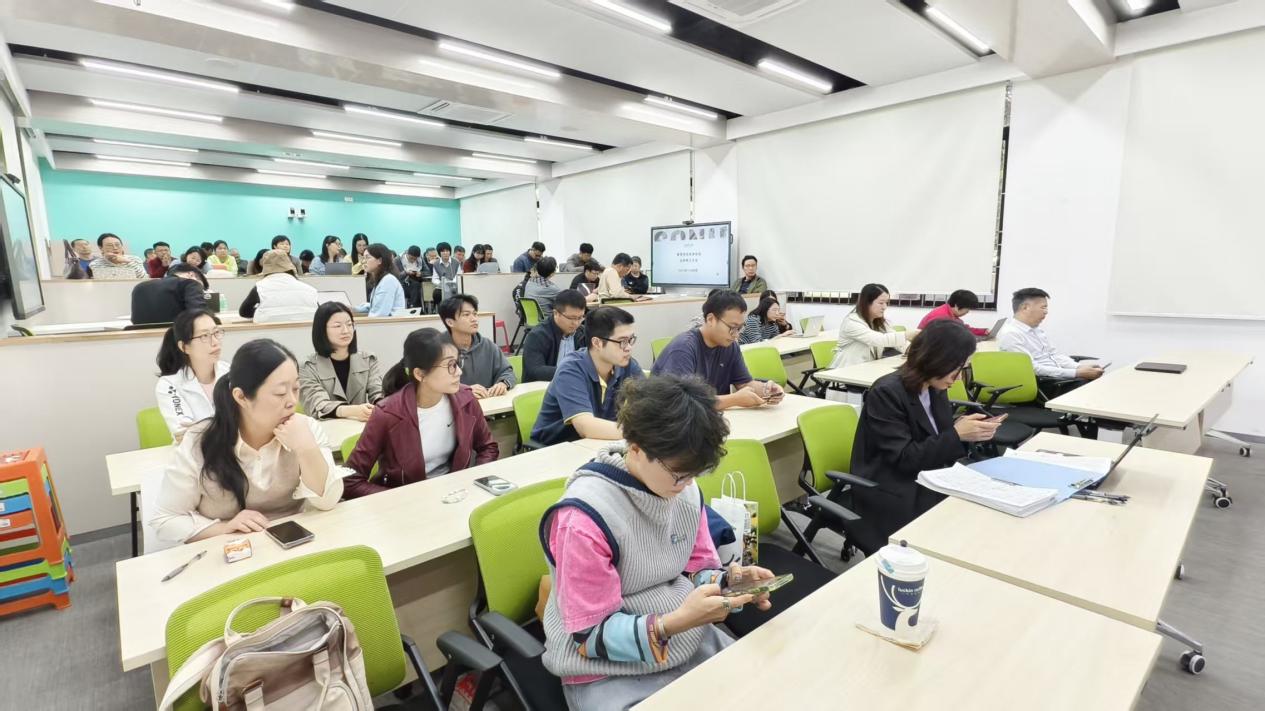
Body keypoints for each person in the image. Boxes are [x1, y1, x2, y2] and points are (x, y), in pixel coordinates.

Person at [539, 375, 774, 709]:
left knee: (766, 689)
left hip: (686, 638)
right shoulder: (584, 519)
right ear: (636, 449)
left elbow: (696, 570)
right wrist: (675, 622)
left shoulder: (682, 488)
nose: (687, 484)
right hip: (605, 669)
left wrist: (729, 582)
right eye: (679, 475)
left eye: (694, 474)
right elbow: (590, 636)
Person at [149, 339, 344, 544]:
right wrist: (225, 528)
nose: (292, 402)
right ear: (241, 397)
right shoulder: (200, 441)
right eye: (280, 393)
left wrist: (306, 448)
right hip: (229, 549)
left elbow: (327, 501)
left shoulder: (305, 429)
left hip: (293, 544)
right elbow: (165, 520)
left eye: (296, 389)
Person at [850, 321, 1001, 543]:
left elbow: (935, 435)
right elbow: (904, 458)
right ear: (937, 360)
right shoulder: (886, 392)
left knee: (984, 510)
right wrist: (957, 434)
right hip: (893, 484)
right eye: (957, 369)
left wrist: (969, 431)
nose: (959, 378)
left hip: (929, 471)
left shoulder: (934, 385)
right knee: (957, 529)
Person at [343, 328, 498, 498]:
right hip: (406, 502)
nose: (459, 372)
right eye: (450, 366)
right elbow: (350, 481)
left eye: (457, 362)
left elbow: (487, 447)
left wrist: (473, 482)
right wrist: (401, 499)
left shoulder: (466, 399)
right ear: (420, 374)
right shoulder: (387, 413)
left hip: (454, 494)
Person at [532, 306, 645, 445]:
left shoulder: (627, 365)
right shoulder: (571, 369)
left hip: (598, 443)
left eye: (631, 340)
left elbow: (649, 405)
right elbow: (585, 426)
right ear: (597, 343)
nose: (628, 348)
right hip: (554, 448)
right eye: (622, 341)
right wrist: (642, 432)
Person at [656, 290, 784, 410]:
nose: (736, 335)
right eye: (732, 327)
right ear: (711, 319)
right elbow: (681, 403)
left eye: (739, 328)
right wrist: (734, 400)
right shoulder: (683, 348)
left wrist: (766, 389)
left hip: (712, 417)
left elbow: (744, 384)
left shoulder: (730, 346)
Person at [998, 288, 1104, 392]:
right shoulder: (1011, 334)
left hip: (1057, 377)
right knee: (1093, 389)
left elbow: (1054, 356)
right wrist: (1077, 373)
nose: (1046, 312)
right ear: (1025, 308)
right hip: (1043, 383)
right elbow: (1033, 369)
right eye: (1043, 307)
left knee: (1098, 382)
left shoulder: (1037, 330)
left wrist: (1080, 367)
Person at [154, 309, 231, 442]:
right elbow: (184, 435)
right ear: (184, 347)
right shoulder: (169, 385)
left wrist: (201, 429)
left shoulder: (230, 372)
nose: (215, 342)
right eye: (204, 336)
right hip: (194, 453)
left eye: (216, 332)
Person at [299, 302, 384, 421]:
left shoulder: (368, 359)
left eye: (349, 324)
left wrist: (382, 405)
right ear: (322, 330)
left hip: (361, 426)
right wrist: (352, 411)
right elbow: (317, 405)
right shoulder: (307, 367)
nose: (346, 331)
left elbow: (378, 392)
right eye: (337, 326)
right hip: (327, 428)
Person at [439, 294, 516, 398]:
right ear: (450, 322)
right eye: (466, 315)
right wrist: (463, 391)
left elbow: (507, 372)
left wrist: (503, 383)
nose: (474, 319)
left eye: (475, 314)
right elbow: (433, 384)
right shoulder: (437, 349)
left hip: (489, 404)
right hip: (454, 405)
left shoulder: (488, 346)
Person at [829, 283, 917, 369]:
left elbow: (895, 340)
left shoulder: (878, 321)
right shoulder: (852, 322)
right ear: (867, 303)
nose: (885, 307)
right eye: (881, 303)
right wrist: (906, 335)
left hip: (867, 368)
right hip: (845, 370)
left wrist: (913, 350)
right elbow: (878, 339)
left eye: (886, 303)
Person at [522, 289, 587, 382]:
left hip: (574, 384)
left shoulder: (582, 333)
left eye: (580, 318)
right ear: (556, 313)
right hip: (543, 387)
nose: (576, 323)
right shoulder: (537, 335)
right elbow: (536, 370)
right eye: (571, 318)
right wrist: (571, 372)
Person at [238, 250, 319, 323]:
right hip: (306, 333)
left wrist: (262, 311)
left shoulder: (260, 288)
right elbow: (319, 311)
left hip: (267, 332)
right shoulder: (309, 290)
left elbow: (244, 312)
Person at [130, 263, 208, 325]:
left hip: (139, 339)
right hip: (176, 337)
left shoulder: (139, 287)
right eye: (201, 289)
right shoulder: (191, 283)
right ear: (191, 275)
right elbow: (200, 316)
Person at [356, 243, 407, 317]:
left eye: (367, 257)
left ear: (379, 260)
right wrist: (354, 309)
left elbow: (380, 314)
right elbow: (376, 306)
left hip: (388, 323)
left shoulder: (388, 280)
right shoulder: (382, 279)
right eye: (363, 258)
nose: (364, 261)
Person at [919, 289, 988, 336]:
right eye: (967, 308)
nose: (968, 312)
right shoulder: (941, 317)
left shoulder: (950, 313)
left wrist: (983, 331)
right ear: (957, 305)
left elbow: (963, 329)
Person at [430, 241, 461, 307]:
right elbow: (434, 278)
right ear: (439, 253)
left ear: (450, 252)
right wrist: (441, 283)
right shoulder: (436, 264)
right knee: (436, 294)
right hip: (442, 286)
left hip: (454, 286)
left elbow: (459, 275)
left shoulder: (456, 262)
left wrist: (452, 283)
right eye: (443, 251)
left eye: (447, 251)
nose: (445, 253)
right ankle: (441, 309)